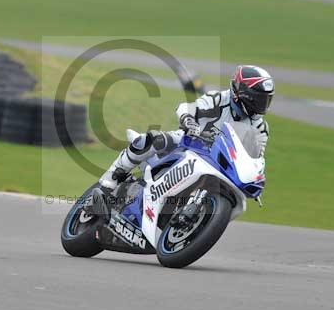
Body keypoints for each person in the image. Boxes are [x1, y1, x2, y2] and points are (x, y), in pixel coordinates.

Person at [91, 65, 274, 211]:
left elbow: (257, 156)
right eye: (258, 99)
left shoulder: (260, 127)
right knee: (153, 140)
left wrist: (254, 177)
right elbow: (187, 107)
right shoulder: (219, 99)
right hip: (191, 142)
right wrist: (189, 121)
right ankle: (108, 184)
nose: (262, 104)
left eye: (266, 99)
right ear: (241, 93)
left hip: (220, 161)